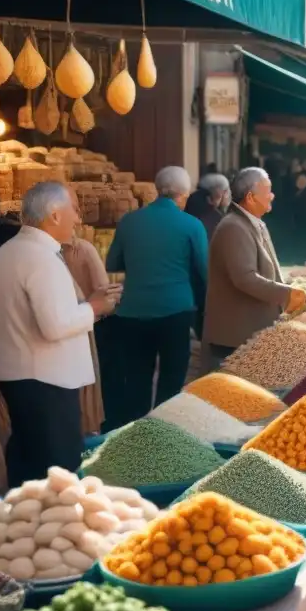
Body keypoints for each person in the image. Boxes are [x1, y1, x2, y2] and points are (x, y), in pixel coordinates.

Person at [0, 182, 120, 486]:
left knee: (27, 459)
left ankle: (20, 526)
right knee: (57, 468)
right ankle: (47, 530)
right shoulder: (39, 258)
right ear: (54, 215)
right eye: (73, 210)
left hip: (21, 376)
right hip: (45, 380)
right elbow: (55, 326)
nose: (77, 218)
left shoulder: (8, 251)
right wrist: (95, 307)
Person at [104, 166, 208, 430]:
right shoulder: (191, 225)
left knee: (137, 379)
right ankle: (163, 436)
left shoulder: (130, 221)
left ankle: (135, 437)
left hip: (133, 311)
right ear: (184, 194)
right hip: (175, 310)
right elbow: (205, 270)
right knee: (171, 380)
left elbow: (112, 262)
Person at [201, 168, 306, 375]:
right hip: (235, 338)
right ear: (250, 197)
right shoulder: (233, 227)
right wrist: (287, 293)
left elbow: (268, 270)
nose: (273, 195)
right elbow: (245, 278)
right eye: (268, 190)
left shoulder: (252, 222)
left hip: (252, 334)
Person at [62, 190, 112, 437]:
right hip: (81, 329)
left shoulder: (80, 249)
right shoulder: (81, 249)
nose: (78, 217)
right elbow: (106, 296)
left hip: (80, 327)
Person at [185, 173, 231, 240]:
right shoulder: (216, 219)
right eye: (227, 190)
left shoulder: (187, 208)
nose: (229, 194)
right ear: (220, 193)